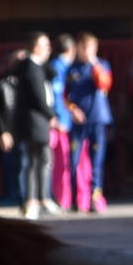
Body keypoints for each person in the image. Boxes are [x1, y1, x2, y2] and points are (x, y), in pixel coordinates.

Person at [7, 33, 59, 220]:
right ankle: (33, 200)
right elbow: (38, 97)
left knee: (42, 160)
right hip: (34, 121)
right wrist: (52, 116)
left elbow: (54, 73)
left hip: (38, 121)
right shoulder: (30, 68)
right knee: (33, 161)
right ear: (35, 47)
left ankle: (43, 198)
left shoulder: (37, 66)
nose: (48, 49)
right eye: (45, 45)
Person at [65, 32, 113, 213]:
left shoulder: (102, 65)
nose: (87, 51)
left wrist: (95, 66)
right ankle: (75, 199)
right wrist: (73, 109)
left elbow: (105, 85)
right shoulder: (72, 68)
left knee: (97, 160)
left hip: (98, 118)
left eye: (91, 47)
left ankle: (95, 197)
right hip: (78, 122)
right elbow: (65, 95)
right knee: (74, 160)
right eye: (84, 47)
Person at [47, 34, 76, 210]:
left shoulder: (61, 66)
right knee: (59, 163)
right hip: (59, 124)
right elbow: (56, 95)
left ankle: (62, 198)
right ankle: (60, 198)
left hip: (62, 121)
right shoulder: (58, 67)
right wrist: (58, 118)